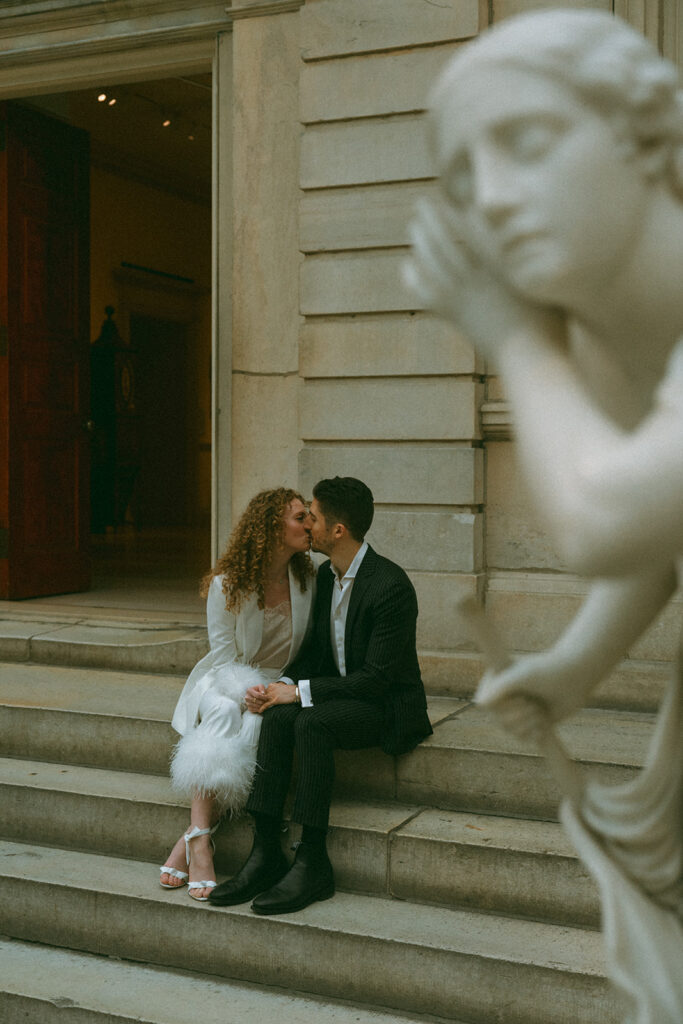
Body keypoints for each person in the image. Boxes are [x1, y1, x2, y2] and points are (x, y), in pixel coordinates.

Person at [405, 9, 683, 1019]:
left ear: (643, 134)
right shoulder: (616, 342)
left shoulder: (565, 342)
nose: (496, 199)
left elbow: (604, 519)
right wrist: (573, 665)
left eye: (525, 142)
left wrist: (513, 341)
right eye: (467, 179)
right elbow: (664, 526)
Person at [208, 476, 433, 914]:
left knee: (311, 720)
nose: (306, 523)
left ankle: (313, 861)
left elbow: (375, 681)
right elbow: (312, 653)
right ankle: (266, 850)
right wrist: (278, 688)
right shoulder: (325, 578)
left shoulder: (390, 586)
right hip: (343, 694)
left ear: (337, 531)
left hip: (384, 707)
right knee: (278, 714)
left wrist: (300, 693)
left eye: (312, 516)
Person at [159, 487, 316, 900]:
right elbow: (223, 658)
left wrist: (276, 691)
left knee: (249, 721)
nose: (309, 524)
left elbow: (307, 653)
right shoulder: (227, 584)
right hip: (225, 679)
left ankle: (194, 837)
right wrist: (249, 690)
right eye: (300, 517)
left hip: (277, 685)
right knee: (229, 713)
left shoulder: (307, 579)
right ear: (271, 527)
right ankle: (201, 846)